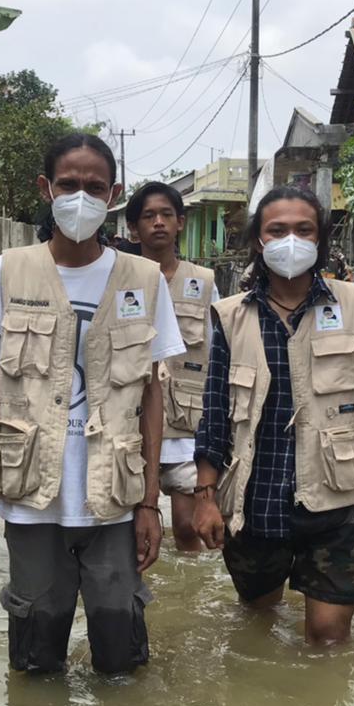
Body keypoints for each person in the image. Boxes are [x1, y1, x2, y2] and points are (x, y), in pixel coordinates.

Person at [0, 134, 184, 674]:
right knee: (36, 655)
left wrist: (150, 502)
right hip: (31, 494)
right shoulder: (4, 272)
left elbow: (153, 394)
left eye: (95, 187)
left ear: (114, 195)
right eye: (68, 185)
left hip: (117, 496)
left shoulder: (144, 279)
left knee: (120, 657)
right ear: (46, 188)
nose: (81, 197)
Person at [193, 186, 354, 645]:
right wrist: (206, 496)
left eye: (303, 230)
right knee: (259, 620)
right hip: (256, 504)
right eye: (277, 230)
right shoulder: (231, 317)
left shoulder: (353, 305)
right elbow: (214, 414)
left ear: (321, 238)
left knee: (328, 638)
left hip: (335, 502)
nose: (291, 240)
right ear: (258, 241)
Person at [127, 180, 220, 552]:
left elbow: (218, 350)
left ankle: (190, 583)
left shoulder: (203, 282)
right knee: (128, 527)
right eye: (148, 216)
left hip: (186, 424)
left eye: (166, 214)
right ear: (134, 227)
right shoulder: (119, 280)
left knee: (187, 526)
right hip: (131, 420)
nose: (158, 222)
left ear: (180, 222)